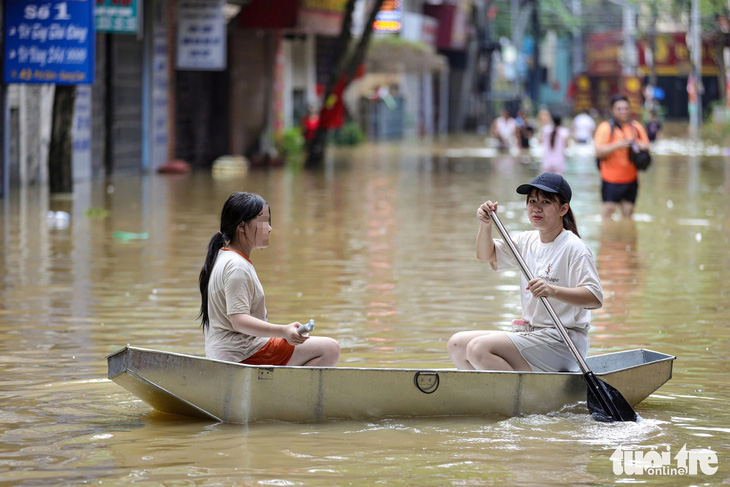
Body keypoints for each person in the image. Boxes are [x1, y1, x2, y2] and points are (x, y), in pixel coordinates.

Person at [447, 173, 603, 372]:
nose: (536, 208)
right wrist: (485, 225)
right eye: (532, 201)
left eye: (546, 202)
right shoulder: (526, 240)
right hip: (532, 334)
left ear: (563, 209)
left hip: (563, 340)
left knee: (478, 349)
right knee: (457, 345)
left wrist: (552, 290)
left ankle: (518, 399)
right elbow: (486, 254)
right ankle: (491, 395)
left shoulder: (574, 248)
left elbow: (595, 298)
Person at [198, 192, 340, 366]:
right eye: (263, 221)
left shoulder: (224, 257)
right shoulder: (237, 266)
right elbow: (239, 320)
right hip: (243, 353)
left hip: (231, 351)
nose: (270, 228)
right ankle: (288, 393)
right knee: (330, 348)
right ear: (242, 226)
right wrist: (283, 331)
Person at [594, 94, 651, 220]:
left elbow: (647, 145)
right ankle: (607, 238)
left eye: (626, 108)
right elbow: (598, 151)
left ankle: (626, 238)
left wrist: (639, 145)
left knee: (628, 213)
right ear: (612, 110)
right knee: (608, 212)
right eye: (619, 109)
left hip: (631, 178)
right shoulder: (606, 127)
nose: (623, 111)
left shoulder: (636, 127)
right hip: (610, 179)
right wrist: (618, 145)